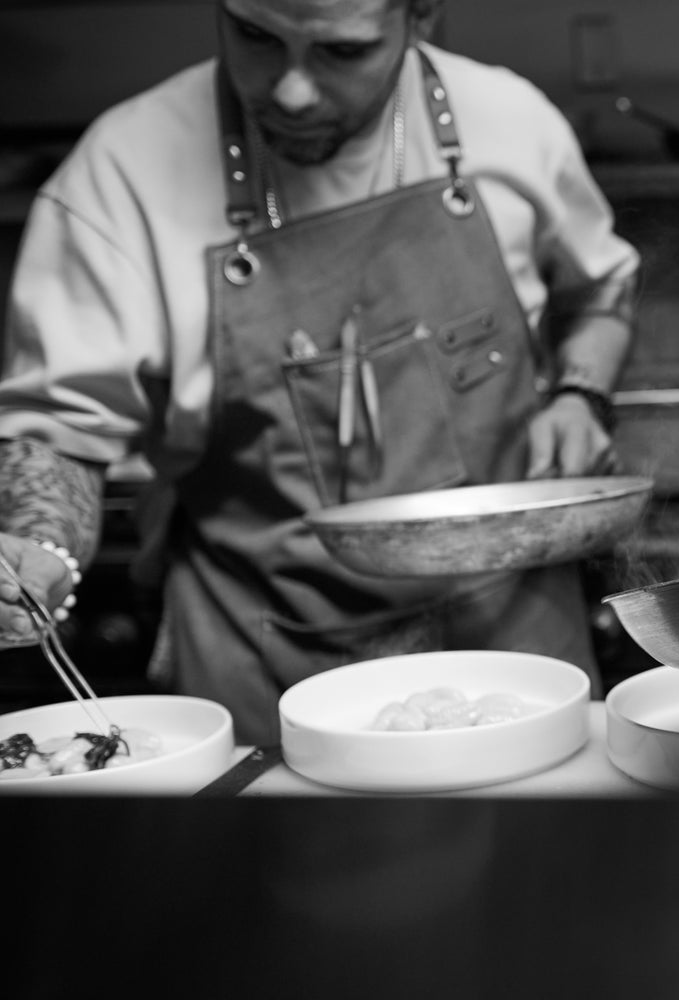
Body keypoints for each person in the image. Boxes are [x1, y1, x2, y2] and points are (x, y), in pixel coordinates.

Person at [0, 0, 639, 744]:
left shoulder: (510, 120)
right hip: (263, 662)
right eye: (255, 36)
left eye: (342, 51)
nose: (292, 89)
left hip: (516, 640)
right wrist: (39, 546)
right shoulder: (120, 174)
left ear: (421, 14)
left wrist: (580, 395)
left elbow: (600, 294)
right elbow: (61, 431)